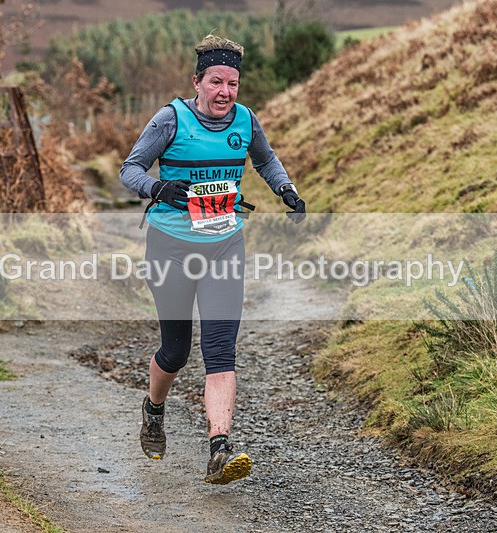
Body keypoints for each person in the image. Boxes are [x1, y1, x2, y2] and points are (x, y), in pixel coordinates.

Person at [119, 34, 306, 484]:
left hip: (224, 245)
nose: (225, 92)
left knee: (220, 349)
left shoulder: (246, 120)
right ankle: (154, 409)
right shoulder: (170, 119)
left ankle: (219, 449)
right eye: (216, 82)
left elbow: (265, 160)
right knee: (176, 351)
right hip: (171, 248)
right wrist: (158, 188)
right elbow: (130, 169)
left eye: (233, 84)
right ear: (197, 82)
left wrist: (285, 189)